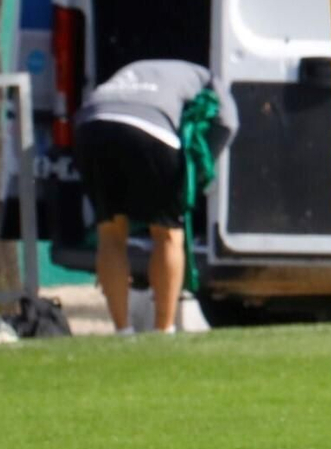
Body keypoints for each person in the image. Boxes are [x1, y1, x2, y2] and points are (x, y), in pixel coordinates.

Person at [72, 59, 238, 335]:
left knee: (110, 232)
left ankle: (122, 331)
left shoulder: (134, 69)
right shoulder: (209, 79)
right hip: (152, 129)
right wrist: (196, 176)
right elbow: (228, 122)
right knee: (167, 233)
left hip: (91, 127)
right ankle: (164, 330)